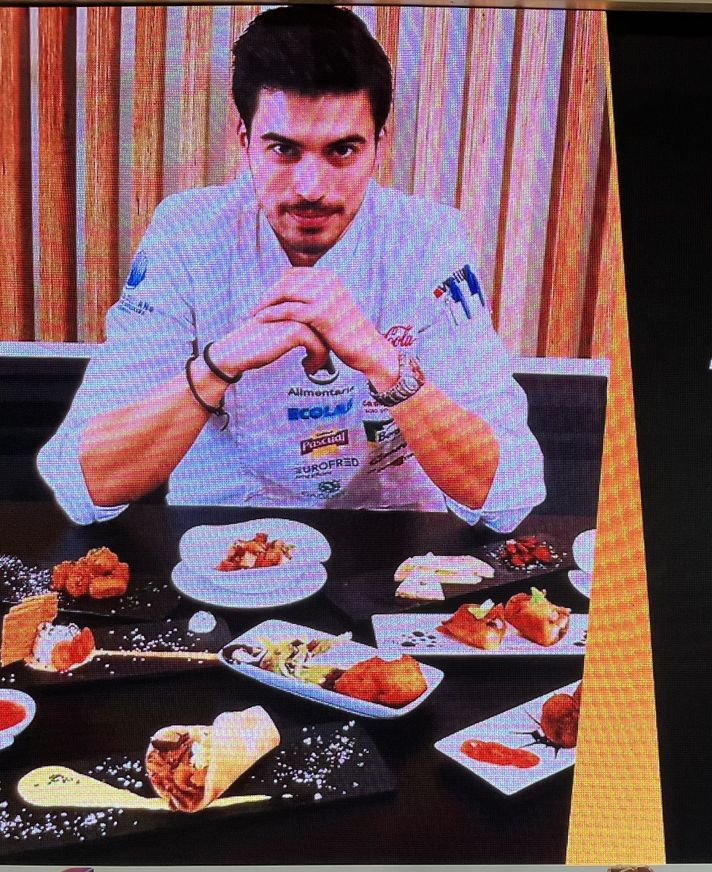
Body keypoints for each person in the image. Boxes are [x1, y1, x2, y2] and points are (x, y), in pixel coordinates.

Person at [37, 7, 542, 530]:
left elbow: (508, 492)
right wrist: (219, 364)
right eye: (283, 149)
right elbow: (83, 483)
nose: (310, 187)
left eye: (342, 150)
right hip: (224, 540)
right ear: (244, 140)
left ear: (378, 148)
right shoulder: (189, 232)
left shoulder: (429, 238)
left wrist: (384, 364)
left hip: (390, 545)